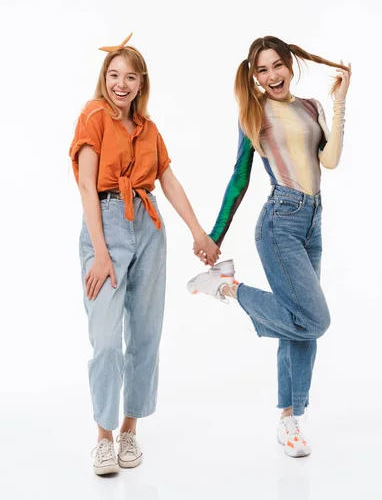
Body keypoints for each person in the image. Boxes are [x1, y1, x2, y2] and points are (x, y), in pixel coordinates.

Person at [188, 36, 351, 458]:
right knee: (315, 320)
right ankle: (226, 286)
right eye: (262, 70)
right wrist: (215, 235)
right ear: (255, 77)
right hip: (280, 222)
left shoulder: (310, 107)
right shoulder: (255, 114)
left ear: (290, 64)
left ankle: (290, 420)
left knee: (299, 325)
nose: (272, 75)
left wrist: (339, 102)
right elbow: (239, 179)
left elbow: (329, 162)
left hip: (313, 221)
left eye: (277, 65)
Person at [69, 33, 220, 475]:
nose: (120, 83)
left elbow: (169, 182)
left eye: (129, 76)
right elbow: (86, 184)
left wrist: (200, 234)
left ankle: (130, 429)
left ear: (141, 83)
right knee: (105, 339)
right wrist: (100, 252)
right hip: (108, 222)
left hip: (150, 226)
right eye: (113, 75)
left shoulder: (149, 130)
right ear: (105, 78)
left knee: (146, 332)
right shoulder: (93, 115)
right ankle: (103, 435)